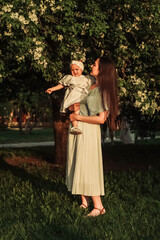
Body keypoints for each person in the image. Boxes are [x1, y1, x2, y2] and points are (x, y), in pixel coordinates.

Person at [66, 56, 119, 217]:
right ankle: (84, 201)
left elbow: (101, 119)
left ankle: (99, 207)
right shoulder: (89, 84)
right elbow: (78, 105)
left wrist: (77, 118)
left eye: (95, 64)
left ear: (101, 70)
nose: (91, 65)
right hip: (77, 128)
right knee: (78, 163)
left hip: (88, 131)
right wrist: (73, 109)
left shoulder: (101, 90)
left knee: (88, 166)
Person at [45, 60, 94, 134]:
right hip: (73, 97)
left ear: (81, 69)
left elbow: (94, 84)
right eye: (72, 70)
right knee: (75, 110)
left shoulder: (86, 78)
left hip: (82, 97)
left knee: (81, 110)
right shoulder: (70, 78)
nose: (75, 72)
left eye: (77, 69)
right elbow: (61, 85)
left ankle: (80, 125)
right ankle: (75, 126)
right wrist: (52, 89)